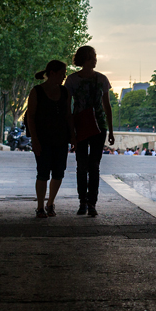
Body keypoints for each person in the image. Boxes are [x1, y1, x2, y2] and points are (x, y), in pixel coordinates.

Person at [64, 45, 114, 217]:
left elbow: (68, 109)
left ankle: (83, 202)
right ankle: (92, 203)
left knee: (82, 166)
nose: (95, 59)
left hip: (80, 125)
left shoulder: (71, 81)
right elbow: (107, 107)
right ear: (86, 59)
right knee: (94, 166)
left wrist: (72, 132)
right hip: (99, 125)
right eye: (93, 56)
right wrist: (111, 130)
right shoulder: (102, 79)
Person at [26, 60, 74, 218]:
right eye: (62, 73)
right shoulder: (37, 92)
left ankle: (50, 203)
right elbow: (30, 117)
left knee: (59, 172)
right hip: (43, 139)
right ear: (52, 74)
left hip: (61, 138)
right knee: (42, 173)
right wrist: (34, 139)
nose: (63, 77)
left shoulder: (65, 92)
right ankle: (40, 206)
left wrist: (72, 134)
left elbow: (67, 115)